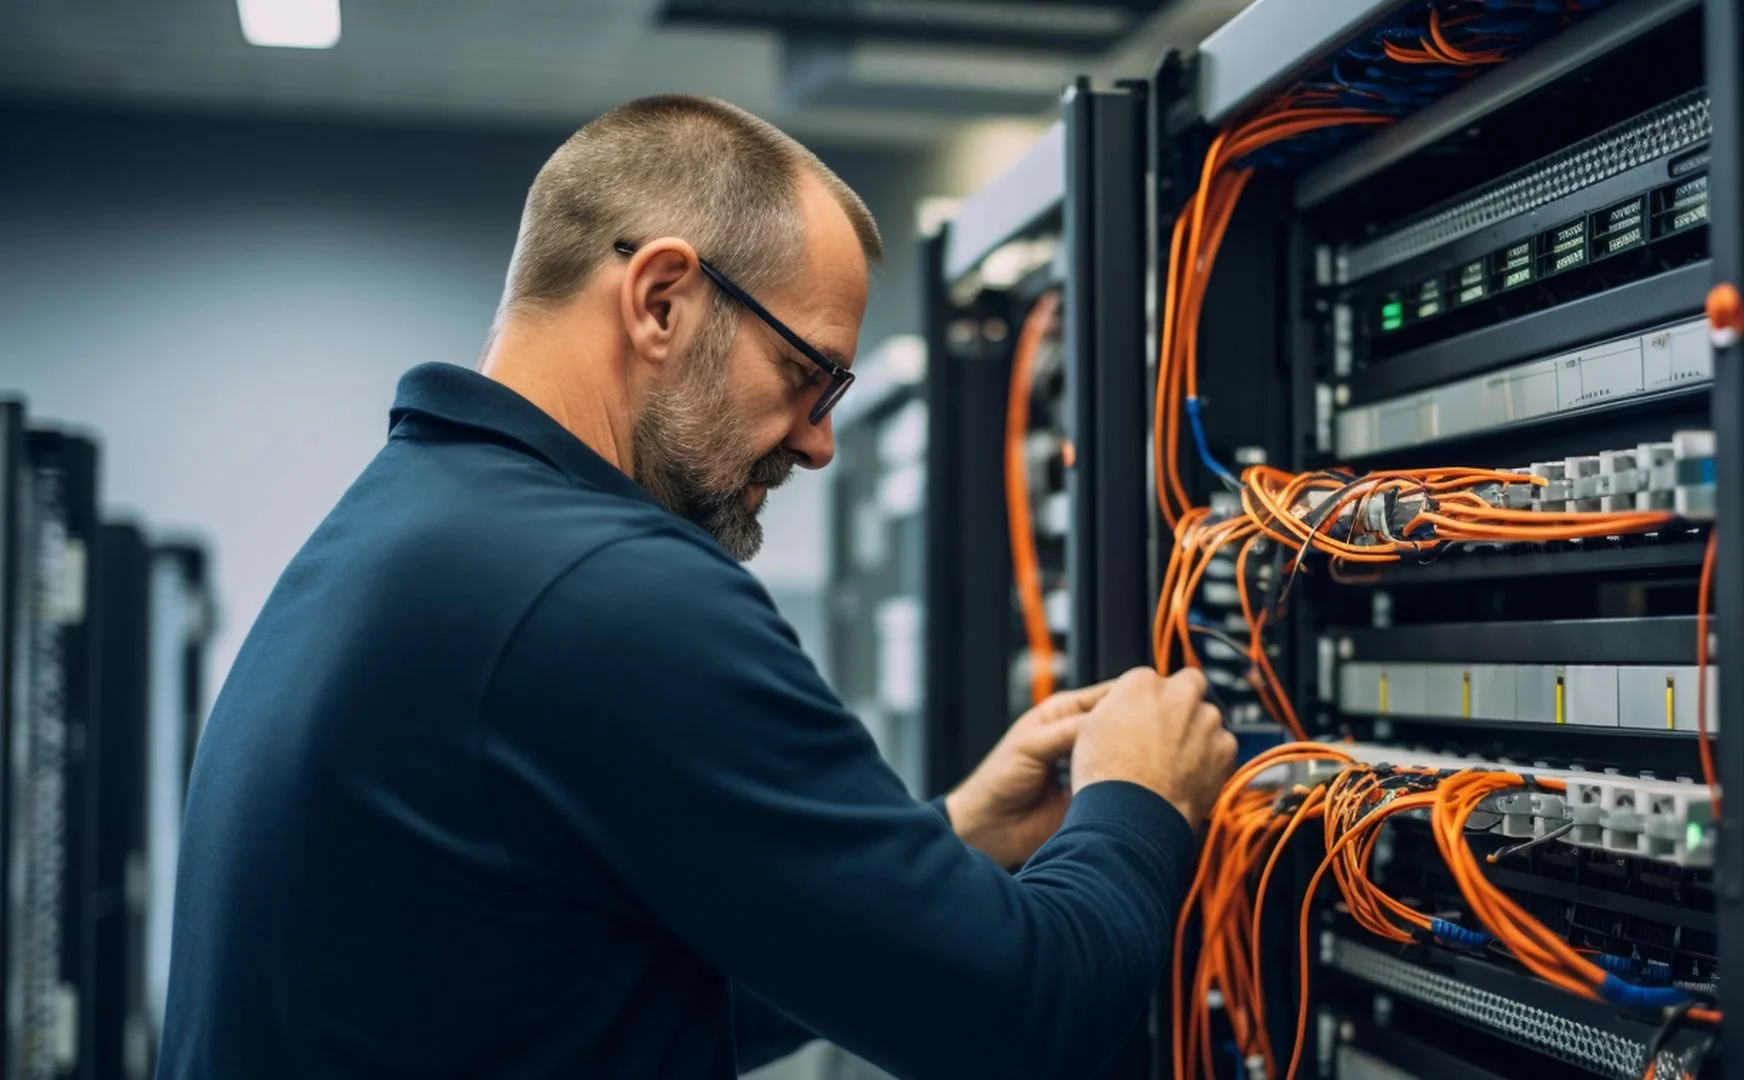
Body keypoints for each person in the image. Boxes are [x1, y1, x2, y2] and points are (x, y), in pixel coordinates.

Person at [157, 94, 1237, 1080]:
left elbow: (634, 988)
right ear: (662, 299)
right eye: (806, 376)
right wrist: (1138, 796)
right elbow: (1026, 1020)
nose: (818, 443)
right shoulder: (608, 592)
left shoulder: (408, 528)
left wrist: (961, 834)